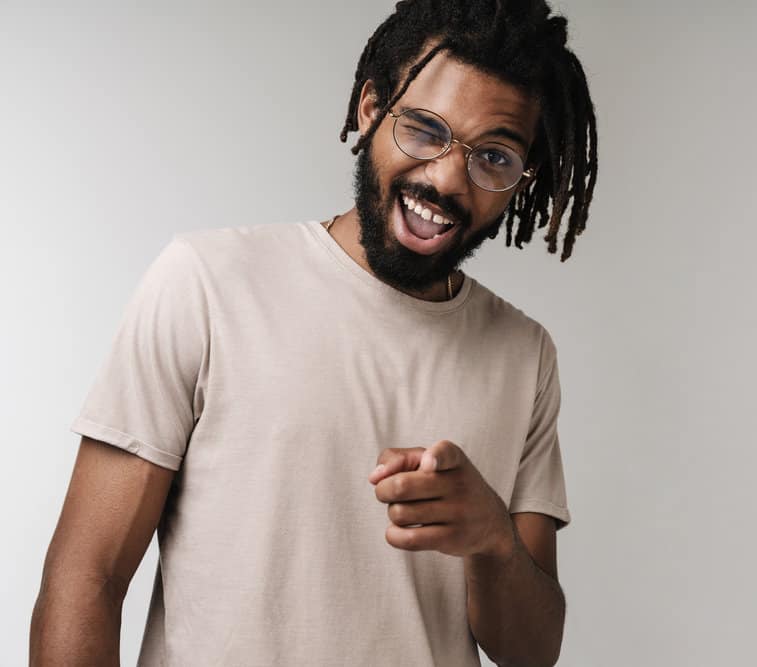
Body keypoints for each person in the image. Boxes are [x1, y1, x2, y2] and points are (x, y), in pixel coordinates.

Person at [30, 0, 597, 664]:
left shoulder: (524, 355)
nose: (446, 178)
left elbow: (532, 650)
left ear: (519, 178)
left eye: (494, 157)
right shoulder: (208, 282)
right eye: (423, 129)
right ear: (370, 108)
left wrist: (493, 539)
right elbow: (85, 576)